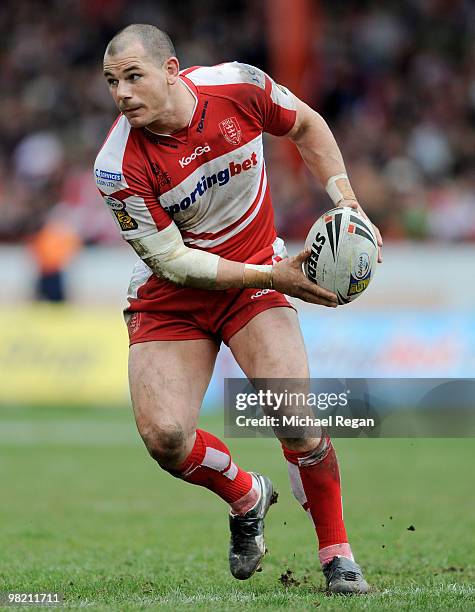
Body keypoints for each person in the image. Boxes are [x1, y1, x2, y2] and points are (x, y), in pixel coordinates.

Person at [94, 23, 382, 594]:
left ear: (172, 70)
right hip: (173, 297)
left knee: (296, 420)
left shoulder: (238, 87)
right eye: (111, 83)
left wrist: (349, 204)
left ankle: (337, 556)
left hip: (253, 282)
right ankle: (247, 495)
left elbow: (305, 124)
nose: (122, 93)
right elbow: (175, 264)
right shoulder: (116, 165)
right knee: (166, 439)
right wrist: (275, 274)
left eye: (133, 77)